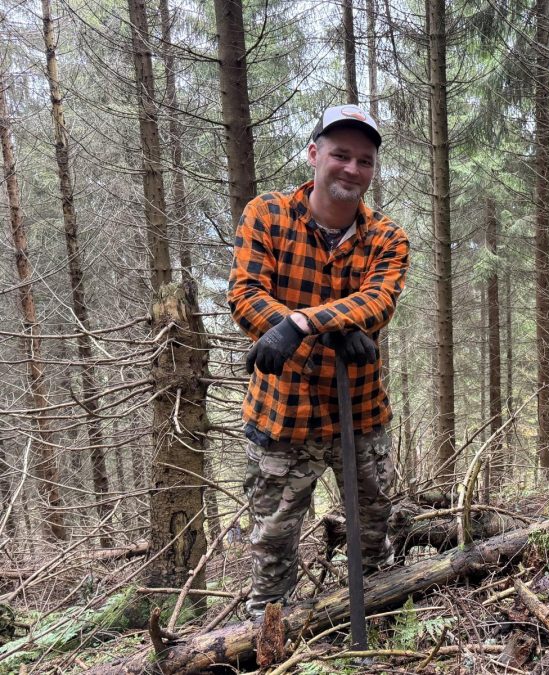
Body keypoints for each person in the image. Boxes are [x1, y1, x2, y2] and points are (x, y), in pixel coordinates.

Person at [228, 104, 409, 618]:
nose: (352, 169)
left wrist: (299, 326)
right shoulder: (267, 215)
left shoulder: (388, 237)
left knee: (374, 531)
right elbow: (245, 294)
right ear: (314, 154)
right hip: (282, 415)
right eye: (341, 155)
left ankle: (381, 620)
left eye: (364, 160)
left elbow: (379, 302)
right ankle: (268, 634)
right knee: (272, 543)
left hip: (360, 413)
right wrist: (333, 327)